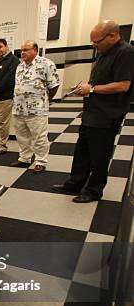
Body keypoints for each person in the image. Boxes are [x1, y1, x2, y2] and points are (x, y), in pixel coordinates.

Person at [53, 20, 134, 203]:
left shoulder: (126, 52)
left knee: (99, 154)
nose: (94, 45)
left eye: (97, 41)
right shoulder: (103, 52)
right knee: (82, 150)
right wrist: (85, 87)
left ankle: (94, 190)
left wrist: (91, 89)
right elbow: (99, 81)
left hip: (107, 114)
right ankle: (75, 183)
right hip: (92, 111)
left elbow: (123, 85)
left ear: (112, 36)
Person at [11, 41, 60, 173]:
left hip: (37, 109)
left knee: (39, 137)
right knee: (22, 136)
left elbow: (54, 85)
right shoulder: (20, 66)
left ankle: (40, 161)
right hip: (19, 108)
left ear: (35, 50)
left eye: (26, 50)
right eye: (21, 50)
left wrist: (46, 101)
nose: (22, 53)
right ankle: (24, 158)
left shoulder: (46, 64)